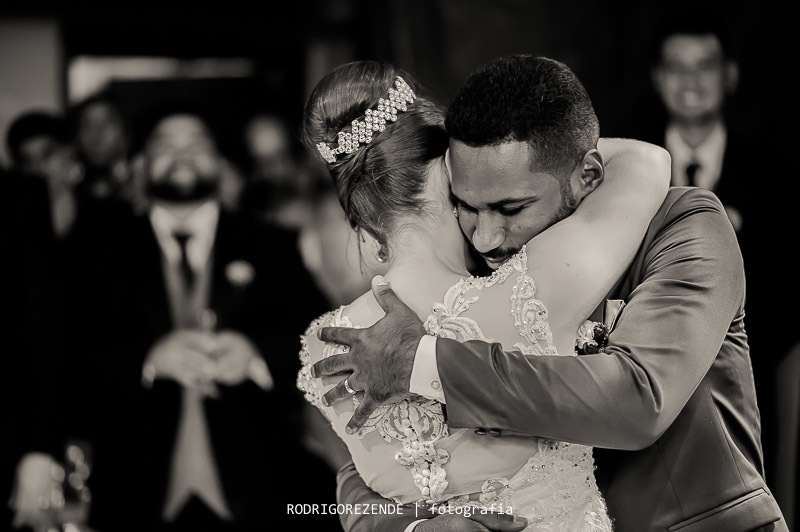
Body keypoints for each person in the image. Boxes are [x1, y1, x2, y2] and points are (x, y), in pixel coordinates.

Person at [312, 56, 787, 531]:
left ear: (589, 174)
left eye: (511, 207)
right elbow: (363, 470)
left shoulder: (685, 224)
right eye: (465, 205)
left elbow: (640, 402)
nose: (486, 238)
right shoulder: (475, 272)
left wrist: (426, 362)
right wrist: (414, 527)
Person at [61, 105, 337, 532]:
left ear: (220, 162)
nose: (182, 154)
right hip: (132, 495)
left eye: (196, 143)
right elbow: (66, 354)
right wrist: (146, 361)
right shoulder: (97, 251)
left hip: (264, 491)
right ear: (141, 163)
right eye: (166, 145)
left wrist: (256, 356)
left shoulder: (272, 242)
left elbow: (325, 339)